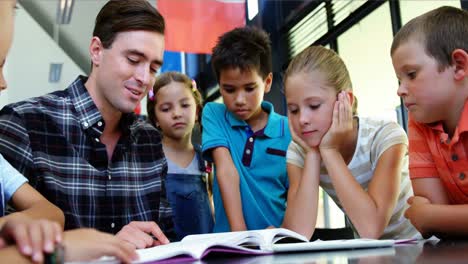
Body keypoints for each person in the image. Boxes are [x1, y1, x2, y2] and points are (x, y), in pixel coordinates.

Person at [0, 0, 173, 249]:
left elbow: (166, 234)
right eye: (134, 60)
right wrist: (108, 247)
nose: (144, 78)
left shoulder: (150, 138)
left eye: (154, 67)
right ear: (96, 50)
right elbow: (8, 249)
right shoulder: (24, 124)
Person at [282, 45, 419, 240]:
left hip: (425, 247)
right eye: (294, 110)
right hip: (371, 256)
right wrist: (313, 155)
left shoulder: (385, 136)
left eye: (313, 106)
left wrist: (330, 151)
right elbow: (298, 232)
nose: (302, 119)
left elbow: (371, 228)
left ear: (344, 100)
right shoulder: (300, 151)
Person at [202, 27, 291, 232]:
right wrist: (241, 238)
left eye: (250, 88)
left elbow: (296, 191)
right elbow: (225, 170)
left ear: (267, 82)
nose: (239, 100)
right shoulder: (214, 114)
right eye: (229, 89)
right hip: (231, 244)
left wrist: (287, 230)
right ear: (220, 85)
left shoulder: (288, 129)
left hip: (276, 244)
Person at [391, 6, 468, 239]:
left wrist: (431, 215)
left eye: (411, 74)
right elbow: (432, 220)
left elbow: (427, 216)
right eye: (398, 79)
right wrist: (434, 217)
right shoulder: (420, 121)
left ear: (458, 65)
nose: (400, 90)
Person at [146, 71, 213, 240]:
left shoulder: (207, 158)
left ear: (197, 111)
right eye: (166, 108)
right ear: (155, 118)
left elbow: (211, 204)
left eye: (184, 105)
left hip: (205, 251)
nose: (177, 113)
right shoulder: (148, 159)